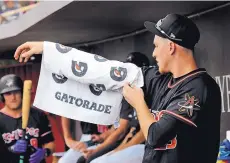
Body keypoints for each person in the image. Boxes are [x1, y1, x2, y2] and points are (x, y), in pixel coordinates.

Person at [13, 13, 221, 163]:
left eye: (157, 46)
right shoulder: (159, 78)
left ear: (171, 46)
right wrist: (50, 50)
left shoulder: (199, 87)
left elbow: (155, 135)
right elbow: (106, 69)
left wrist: (139, 104)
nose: (154, 53)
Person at [60, 52, 149, 163]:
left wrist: (116, 150)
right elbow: (122, 128)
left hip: (144, 147)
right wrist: (69, 139)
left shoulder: (145, 93)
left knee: (93, 160)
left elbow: (125, 130)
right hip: (95, 138)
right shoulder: (125, 91)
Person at [0, 74, 55, 163]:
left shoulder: (38, 115)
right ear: (2, 96)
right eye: (8, 93)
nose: (13, 97)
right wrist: (10, 150)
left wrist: (45, 152)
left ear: (22, 93)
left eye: (16, 92)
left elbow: (50, 143)